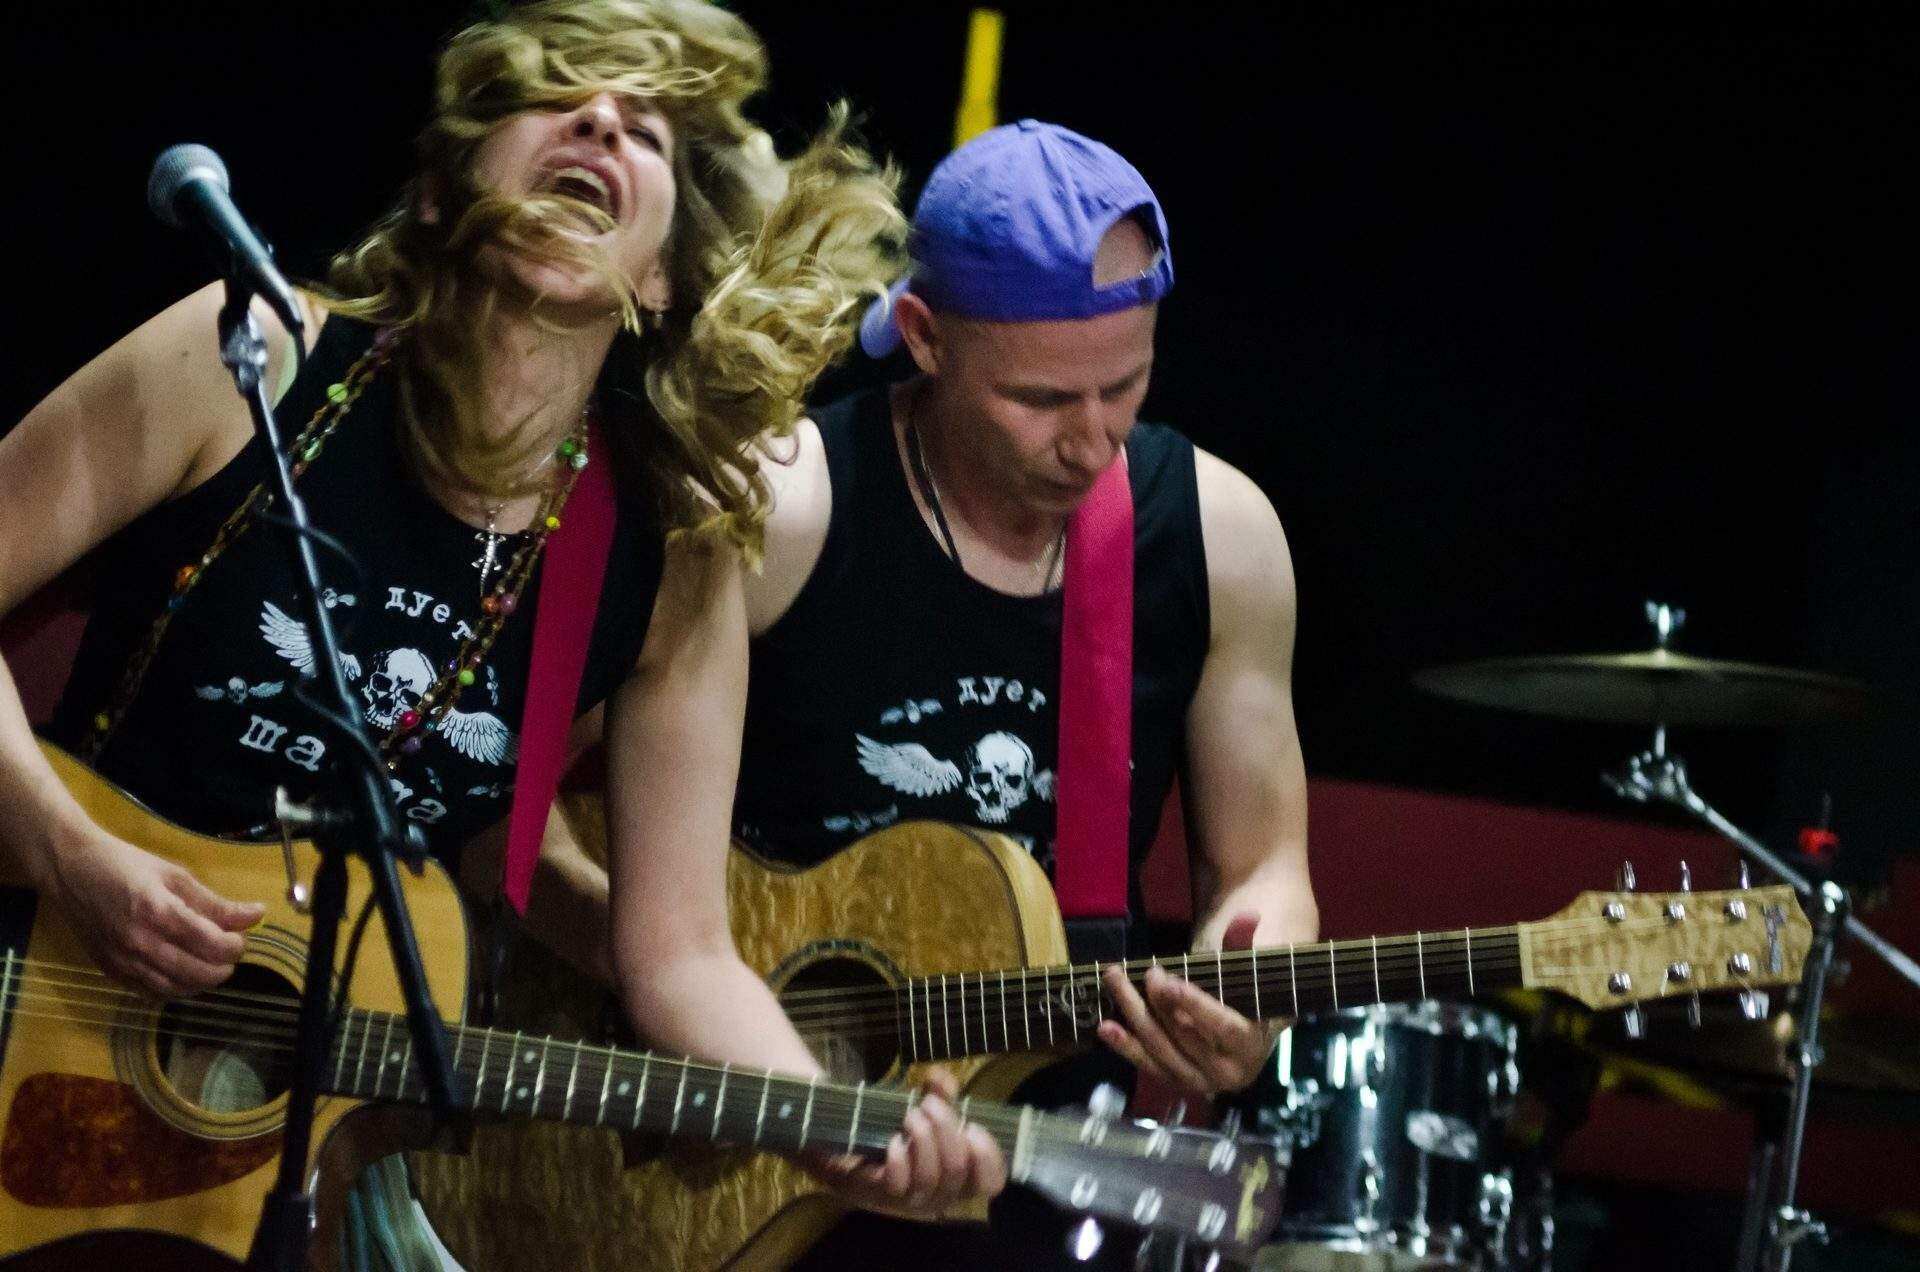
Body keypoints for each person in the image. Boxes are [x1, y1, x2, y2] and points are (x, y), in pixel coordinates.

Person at [0, 0, 998, 1262]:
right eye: (558, 95)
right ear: (439, 192)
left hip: (280, 1133)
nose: (603, 123)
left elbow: (682, 955)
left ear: (662, 276)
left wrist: (838, 1132)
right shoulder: (252, 357)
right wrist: (65, 851)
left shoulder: (670, 555)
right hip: (32, 977)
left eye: (644, 130)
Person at [594, 118, 1320, 1266]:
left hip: (1033, 1164)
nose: (1092, 440)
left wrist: (1255, 991)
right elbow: (546, 815)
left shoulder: (1219, 537)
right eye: (1040, 399)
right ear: (926, 339)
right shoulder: (784, 510)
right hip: (721, 1152)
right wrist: (752, 1032)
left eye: (1125, 386)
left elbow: (1264, 864)